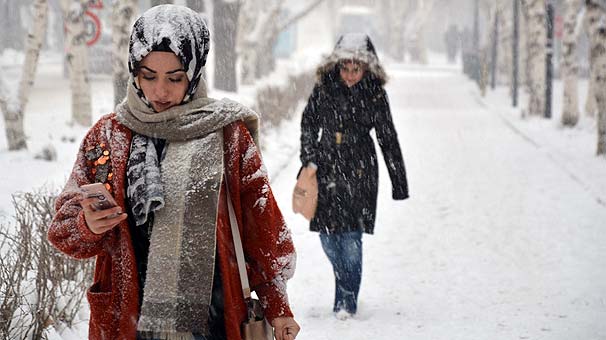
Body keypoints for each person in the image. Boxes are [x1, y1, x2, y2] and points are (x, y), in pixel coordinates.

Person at [48, 5, 300, 340]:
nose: (160, 92)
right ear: (134, 71)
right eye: (148, 76)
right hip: (129, 320)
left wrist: (278, 305)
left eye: (175, 77)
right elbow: (63, 231)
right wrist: (87, 224)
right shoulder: (108, 136)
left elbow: (263, 227)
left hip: (213, 321)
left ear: (194, 73)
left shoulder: (227, 134)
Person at [299, 33, 409, 319]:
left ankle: (347, 300)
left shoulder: (374, 93)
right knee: (327, 237)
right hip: (325, 167)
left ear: (366, 68)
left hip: (360, 169)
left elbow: (388, 137)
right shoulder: (324, 88)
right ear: (337, 66)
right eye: (345, 69)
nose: (349, 75)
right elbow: (308, 123)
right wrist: (308, 157)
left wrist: (399, 183)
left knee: (350, 239)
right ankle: (343, 281)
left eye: (356, 70)